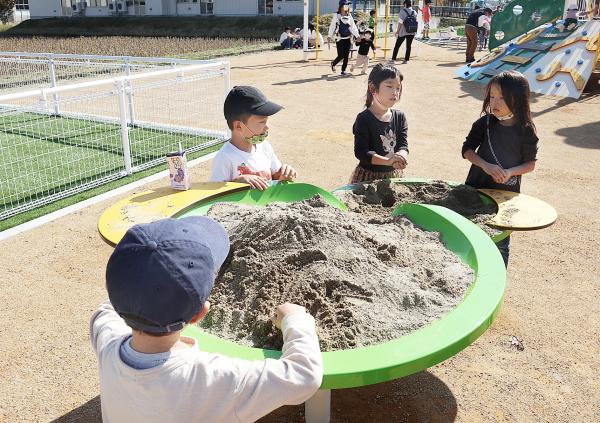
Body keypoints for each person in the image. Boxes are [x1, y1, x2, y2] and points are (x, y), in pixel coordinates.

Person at [91, 217, 323, 422]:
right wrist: (295, 319)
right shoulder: (215, 378)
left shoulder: (106, 340)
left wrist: (141, 269)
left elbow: (106, 308)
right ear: (200, 314)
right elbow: (304, 376)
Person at [461, 71, 539, 266]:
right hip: (476, 189)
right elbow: (467, 150)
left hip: (506, 196)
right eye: (492, 96)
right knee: (470, 235)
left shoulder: (526, 130)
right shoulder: (484, 123)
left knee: (500, 241)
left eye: (502, 97)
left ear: (519, 99)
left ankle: (497, 276)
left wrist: (510, 172)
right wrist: (486, 166)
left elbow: (530, 164)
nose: (495, 102)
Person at [210, 86, 297, 190]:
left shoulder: (265, 147)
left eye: (266, 121)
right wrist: (236, 183)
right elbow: (214, 194)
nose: (267, 127)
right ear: (238, 126)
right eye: (261, 122)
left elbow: (274, 178)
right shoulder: (225, 158)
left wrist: (284, 174)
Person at [350, 63, 409, 183]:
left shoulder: (400, 117)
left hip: (394, 176)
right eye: (389, 86)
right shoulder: (364, 118)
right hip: (368, 178)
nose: (395, 92)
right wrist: (388, 161)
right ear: (372, 88)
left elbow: (403, 144)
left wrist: (401, 156)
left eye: (398, 88)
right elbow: (362, 153)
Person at [328, 2, 360, 75]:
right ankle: (333, 63)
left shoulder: (349, 15)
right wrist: (329, 36)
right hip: (339, 38)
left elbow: (353, 27)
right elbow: (332, 26)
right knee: (341, 55)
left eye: (348, 5)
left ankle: (343, 70)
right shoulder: (336, 15)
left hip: (348, 38)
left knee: (346, 56)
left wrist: (357, 36)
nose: (347, 6)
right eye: (346, 5)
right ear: (341, 6)